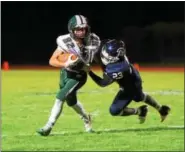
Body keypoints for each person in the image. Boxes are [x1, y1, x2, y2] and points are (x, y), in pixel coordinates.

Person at [37, 15, 100, 136]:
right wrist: (65, 63)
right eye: (78, 29)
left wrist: (87, 65)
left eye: (84, 29)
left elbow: (93, 58)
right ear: (71, 29)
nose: (81, 32)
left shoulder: (93, 40)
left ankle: (48, 126)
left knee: (60, 96)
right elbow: (52, 61)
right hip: (65, 73)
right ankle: (86, 118)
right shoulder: (65, 41)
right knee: (71, 102)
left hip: (79, 76)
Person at [88, 39, 170, 123]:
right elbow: (102, 45)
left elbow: (103, 83)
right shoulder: (117, 51)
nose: (104, 54)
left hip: (129, 86)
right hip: (134, 76)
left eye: (107, 54)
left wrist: (89, 72)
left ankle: (139, 111)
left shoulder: (119, 68)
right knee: (139, 96)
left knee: (114, 110)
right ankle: (161, 109)